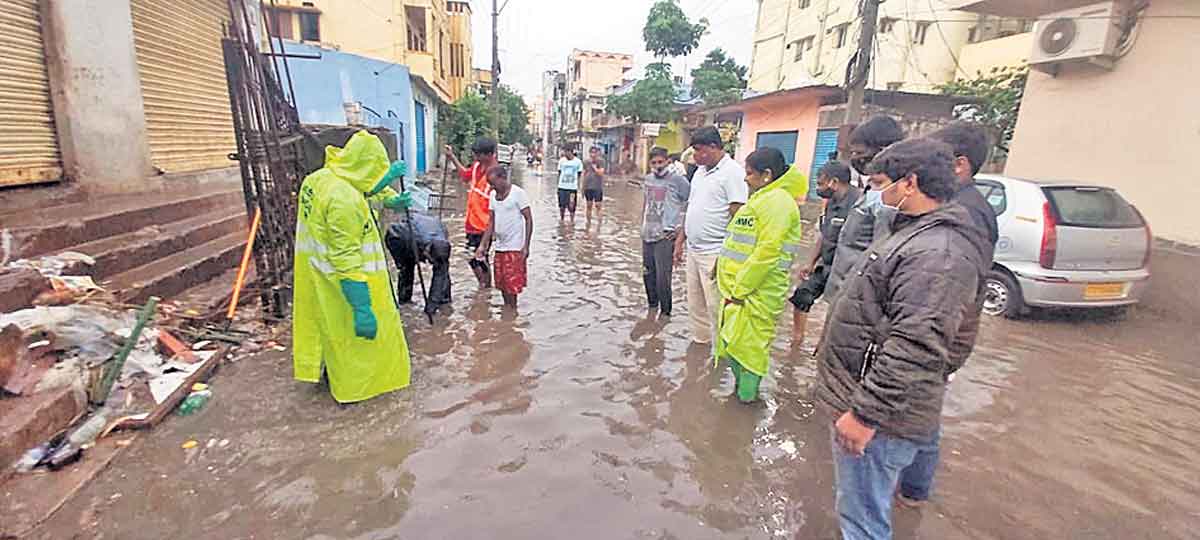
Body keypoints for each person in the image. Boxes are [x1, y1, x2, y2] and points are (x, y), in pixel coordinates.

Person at [813, 138, 991, 540]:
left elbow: (916, 346)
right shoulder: (915, 232)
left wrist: (865, 416)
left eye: (879, 183)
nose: (875, 194)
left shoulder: (938, 253)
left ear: (909, 183)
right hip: (875, 399)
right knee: (862, 507)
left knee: (861, 519)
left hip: (881, 416)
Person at [892, 122, 998, 509]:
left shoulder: (965, 212)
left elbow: (950, 288)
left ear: (958, 165)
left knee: (922, 410)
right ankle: (912, 490)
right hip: (944, 327)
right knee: (922, 407)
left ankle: (913, 490)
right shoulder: (961, 204)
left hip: (942, 330)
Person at [293, 130, 413, 403]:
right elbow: (346, 255)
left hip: (316, 272)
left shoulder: (320, 178)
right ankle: (356, 395)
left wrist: (388, 197)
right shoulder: (343, 200)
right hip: (346, 282)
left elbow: (362, 186)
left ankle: (326, 377)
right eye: (375, 172)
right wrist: (362, 308)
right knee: (359, 343)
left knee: (326, 331)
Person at [715, 147, 806, 403]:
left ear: (766, 174)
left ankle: (746, 404)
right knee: (734, 346)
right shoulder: (762, 199)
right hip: (738, 292)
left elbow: (767, 252)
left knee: (751, 352)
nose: (745, 178)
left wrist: (740, 289)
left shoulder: (778, 203)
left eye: (750, 173)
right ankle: (740, 398)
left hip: (756, 293)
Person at [675, 126, 749, 345]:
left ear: (714, 147)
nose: (695, 156)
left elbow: (739, 219)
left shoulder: (733, 173)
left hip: (716, 253)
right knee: (696, 304)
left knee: (716, 307)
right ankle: (700, 348)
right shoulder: (699, 172)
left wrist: (726, 256)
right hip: (694, 251)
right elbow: (692, 208)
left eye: (699, 150)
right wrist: (680, 242)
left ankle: (721, 354)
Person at [825, 115, 906, 301]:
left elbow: (881, 255)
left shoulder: (888, 198)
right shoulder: (871, 188)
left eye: (859, 153)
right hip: (846, 290)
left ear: (883, 151)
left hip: (860, 296)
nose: (854, 159)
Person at [789, 160, 861, 348]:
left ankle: (826, 345)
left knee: (838, 310)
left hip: (846, 269)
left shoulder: (860, 205)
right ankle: (797, 341)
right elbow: (824, 234)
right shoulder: (831, 203)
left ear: (834, 182)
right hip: (826, 264)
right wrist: (810, 262)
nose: (817, 188)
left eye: (820, 183)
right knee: (801, 295)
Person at [641, 147, 691, 317]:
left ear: (668, 161)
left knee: (663, 278)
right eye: (654, 163)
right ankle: (651, 310)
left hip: (665, 236)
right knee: (648, 273)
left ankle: (665, 314)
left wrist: (679, 228)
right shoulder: (647, 179)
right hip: (647, 233)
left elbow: (690, 203)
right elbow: (646, 204)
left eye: (661, 162)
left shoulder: (678, 181)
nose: (658, 166)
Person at [475, 166, 533, 308]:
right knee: (501, 284)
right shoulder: (493, 197)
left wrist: (526, 246)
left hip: (514, 248)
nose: (491, 187)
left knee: (512, 286)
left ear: (503, 178)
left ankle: (511, 314)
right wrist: (482, 245)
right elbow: (491, 223)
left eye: (493, 183)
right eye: (490, 184)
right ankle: (507, 314)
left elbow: (529, 219)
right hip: (500, 247)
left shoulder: (517, 194)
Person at [445, 138, 498, 289]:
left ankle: (485, 288)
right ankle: (484, 287)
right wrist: (452, 157)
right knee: (472, 257)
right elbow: (464, 175)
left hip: (485, 225)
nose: (475, 157)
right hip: (471, 223)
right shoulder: (476, 167)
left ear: (489, 155)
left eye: (478, 154)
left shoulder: (496, 173)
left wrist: (493, 229)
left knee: (480, 257)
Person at [384, 210, 452, 316]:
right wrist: (399, 262)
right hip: (403, 240)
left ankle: (444, 301)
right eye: (431, 260)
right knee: (407, 268)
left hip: (426, 231)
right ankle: (404, 301)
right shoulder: (405, 235)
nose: (430, 262)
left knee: (442, 271)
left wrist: (430, 310)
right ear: (427, 252)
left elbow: (440, 274)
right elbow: (391, 236)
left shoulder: (443, 239)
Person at [557, 147, 583, 221]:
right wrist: (558, 185)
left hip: (572, 188)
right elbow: (559, 173)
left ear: (571, 152)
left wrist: (577, 185)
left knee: (572, 206)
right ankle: (562, 220)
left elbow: (579, 174)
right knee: (562, 207)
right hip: (562, 187)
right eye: (564, 152)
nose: (565, 154)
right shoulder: (561, 161)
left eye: (567, 152)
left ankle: (572, 221)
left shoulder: (578, 162)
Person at [582, 146, 607, 221]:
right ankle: (588, 223)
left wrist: (594, 167)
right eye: (591, 153)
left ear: (597, 153)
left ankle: (599, 224)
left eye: (594, 153)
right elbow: (584, 174)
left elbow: (601, 173)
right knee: (588, 205)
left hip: (597, 187)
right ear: (589, 153)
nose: (593, 155)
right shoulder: (586, 162)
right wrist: (582, 188)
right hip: (588, 187)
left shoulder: (601, 162)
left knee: (598, 205)